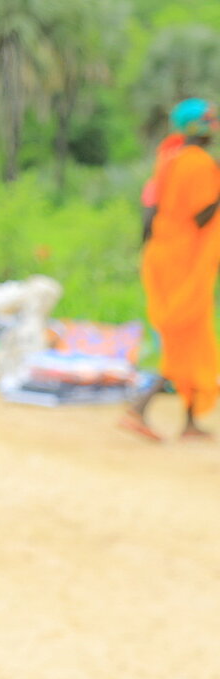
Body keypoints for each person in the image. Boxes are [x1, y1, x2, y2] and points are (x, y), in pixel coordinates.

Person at [123, 98, 220, 442]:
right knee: (184, 341)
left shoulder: (168, 160)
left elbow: (148, 218)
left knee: (192, 340)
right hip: (183, 264)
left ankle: (190, 420)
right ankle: (140, 405)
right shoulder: (199, 164)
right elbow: (202, 216)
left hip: (162, 259)